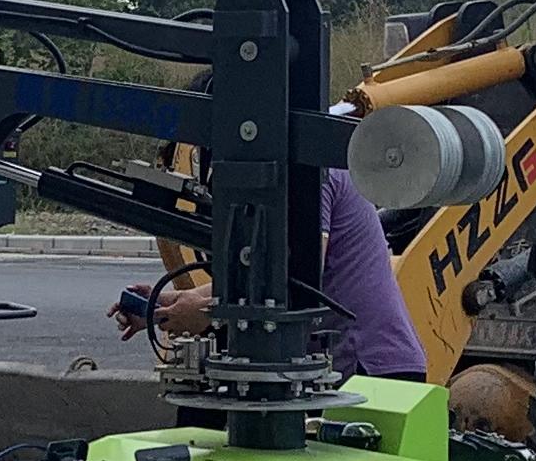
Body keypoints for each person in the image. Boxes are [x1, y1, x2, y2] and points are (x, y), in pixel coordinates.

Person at [115, 157, 428, 381]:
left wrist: (206, 311)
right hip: (337, 368)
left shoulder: (314, 175)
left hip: (375, 370)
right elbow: (263, 272)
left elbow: (297, 278)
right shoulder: (290, 171)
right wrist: (168, 303)